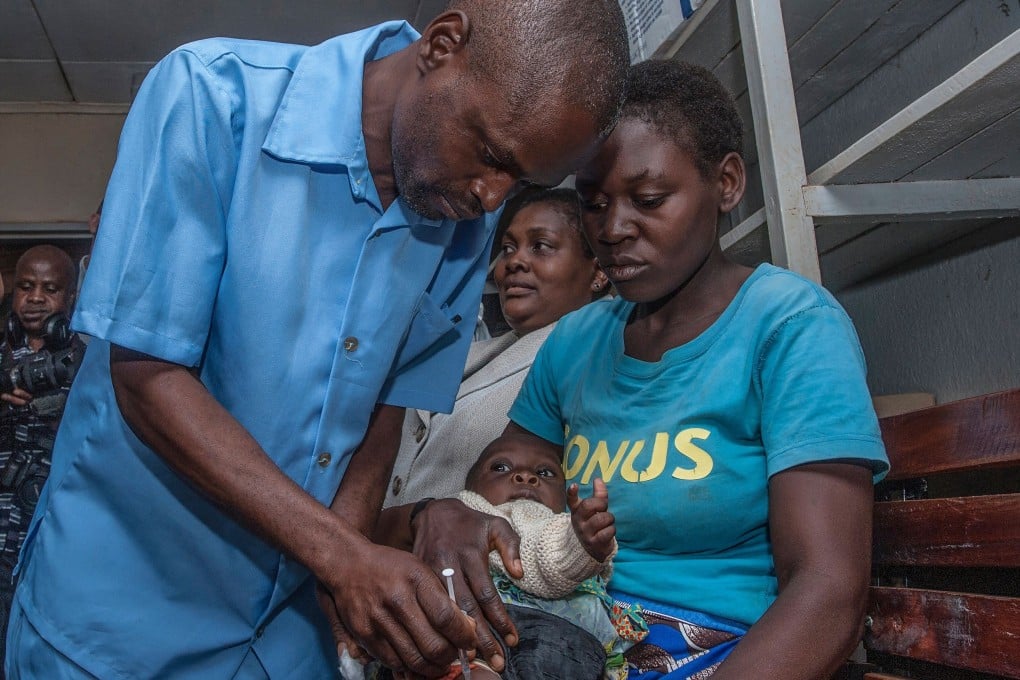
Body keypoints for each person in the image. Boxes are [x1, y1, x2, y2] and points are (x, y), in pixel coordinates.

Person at [4, 3, 629, 679]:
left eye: (521, 181)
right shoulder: (211, 96)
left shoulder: (462, 222)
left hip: (281, 629)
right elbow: (147, 376)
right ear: (442, 45)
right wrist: (339, 556)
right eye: (488, 153)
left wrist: (349, 580)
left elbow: (383, 413)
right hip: (121, 615)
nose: (490, 196)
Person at [409, 59, 891, 680]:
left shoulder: (789, 326)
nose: (613, 230)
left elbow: (827, 592)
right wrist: (445, 513)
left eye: (649, 199)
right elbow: (501, 488)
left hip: (724, 656)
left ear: (726, 182)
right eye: (594, 203)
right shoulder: (577, 341)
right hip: (563, 640)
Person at [381, 188, 609, 511]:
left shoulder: (595, 353)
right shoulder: (474, 351)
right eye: (507, 248)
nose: (514, 261)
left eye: (540, 246)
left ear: (599, 271)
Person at [453, 433, 635, 680]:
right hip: (477, 643)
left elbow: (552, 553)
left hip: (565, 649)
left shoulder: (560, 529)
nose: (525, 476)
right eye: (501, 467)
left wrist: (584, 543)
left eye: (546, 473)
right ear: (470, 485)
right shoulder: (463, 516)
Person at [0, 246, 82, 672]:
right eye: (25, 287)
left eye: (50, 289)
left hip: (51, 516)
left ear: (69, 298)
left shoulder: (85, 359)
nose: (35, 298)